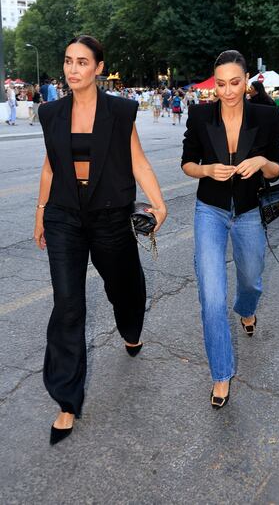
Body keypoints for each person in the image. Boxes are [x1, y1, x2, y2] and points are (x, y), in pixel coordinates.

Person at [34, 35, 167, 445]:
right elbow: (50, 168)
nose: (73, 69)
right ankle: (66, 401)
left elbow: (138, 160)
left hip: (111, 213)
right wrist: (40, 214)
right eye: (68, 62)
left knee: (123, 286)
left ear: (98, 68)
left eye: (82, 62)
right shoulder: (50, 112)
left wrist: (159, 205)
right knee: (68, 305)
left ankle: (131, 327)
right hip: (64, 217)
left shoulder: (119, 111)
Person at [181, 50, 279, 409]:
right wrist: (207, 170)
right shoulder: (199, 114)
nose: (227, 91)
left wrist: (262, 161)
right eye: (220, 84)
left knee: (252, 278)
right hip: (209, 210)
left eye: (234, 82)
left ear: (246, 80)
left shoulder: (266, 116)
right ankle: (221, 374)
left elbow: (276, 170)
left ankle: (247, 307)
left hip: (250, 210)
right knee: (211, 296)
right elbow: (187, 163)